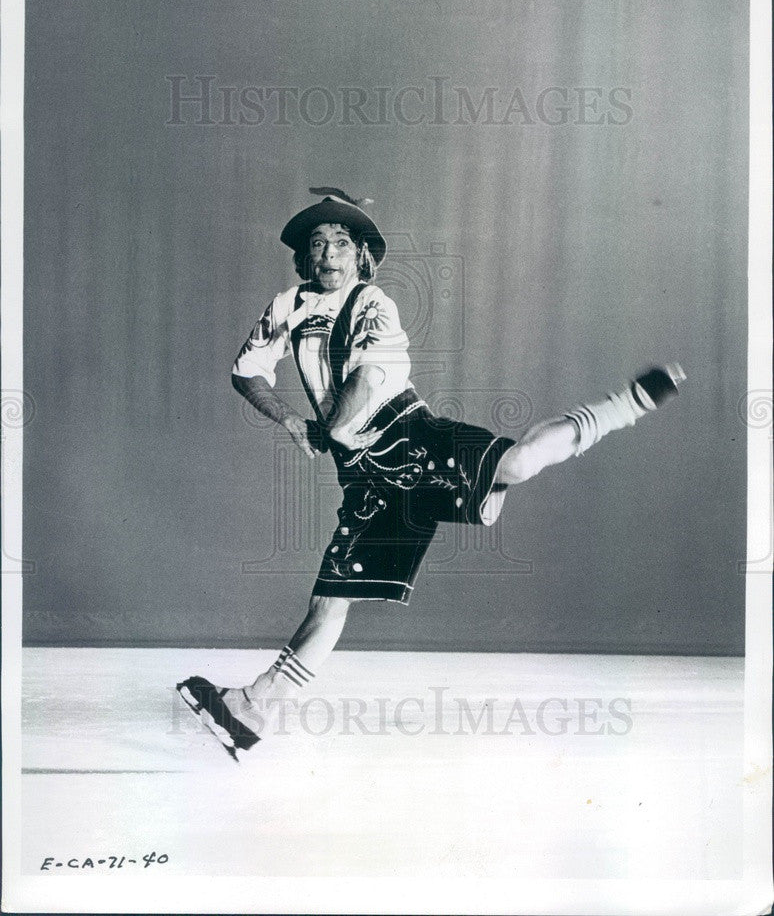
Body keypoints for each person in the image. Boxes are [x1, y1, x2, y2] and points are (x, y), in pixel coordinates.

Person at [177, 188, 685, 761]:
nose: (327, 254)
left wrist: (333, 429)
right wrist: (292, 419)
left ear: (361, 255)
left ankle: (624, 406)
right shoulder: (286, 305)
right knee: (330, 601)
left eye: (341, 243)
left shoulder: (375, 305)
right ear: (302, 257)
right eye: (316, 244)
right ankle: (249, 710)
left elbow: (367, 382)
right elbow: (246, 371)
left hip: (413, 436)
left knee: (516, 462)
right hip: (366, 479)